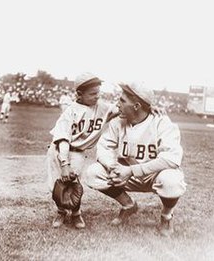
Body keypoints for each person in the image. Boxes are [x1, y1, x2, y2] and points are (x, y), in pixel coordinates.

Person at [86, 82, 187, 236]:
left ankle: (167, 216)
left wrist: (132, 171)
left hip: (154, 175)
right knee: (94, 172)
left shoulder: (162, 123)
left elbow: (172, 158)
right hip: (125, 174)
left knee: (172, 180)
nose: (117, 104)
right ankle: (128, 205)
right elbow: (103, 148)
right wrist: (112, 167)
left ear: (137, 106)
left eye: (122, 100)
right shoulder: (117, 123)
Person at [46, 72, 119, 229]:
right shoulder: (70, 111)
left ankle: (76, 213)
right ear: (79, 94)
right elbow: (63, 139)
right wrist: (64, 163)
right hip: (60, 149)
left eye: (98, 92)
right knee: (57, 185)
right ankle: (61, 211)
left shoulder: (101, 107)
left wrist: (150, 109)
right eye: (92, 93)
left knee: (74, 184)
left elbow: (122, 109)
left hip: (78, 152)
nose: (97, 96)